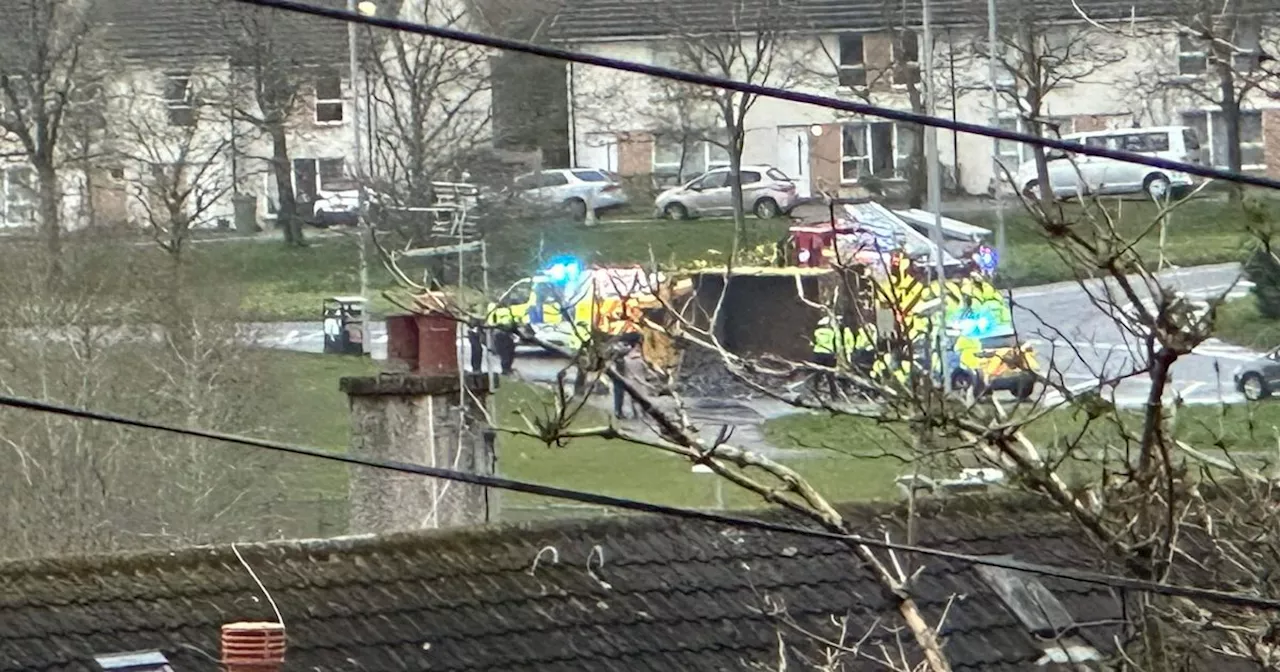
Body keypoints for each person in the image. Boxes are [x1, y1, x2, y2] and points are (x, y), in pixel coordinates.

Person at [811, 316, 839, 398]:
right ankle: (834, 395)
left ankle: (815, 390)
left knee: (817, 373)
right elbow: (835, 343)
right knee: (830, 375)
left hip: (818, 353)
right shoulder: (832, 332)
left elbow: (814, 342)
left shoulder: (816, 332)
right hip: (829, 354)